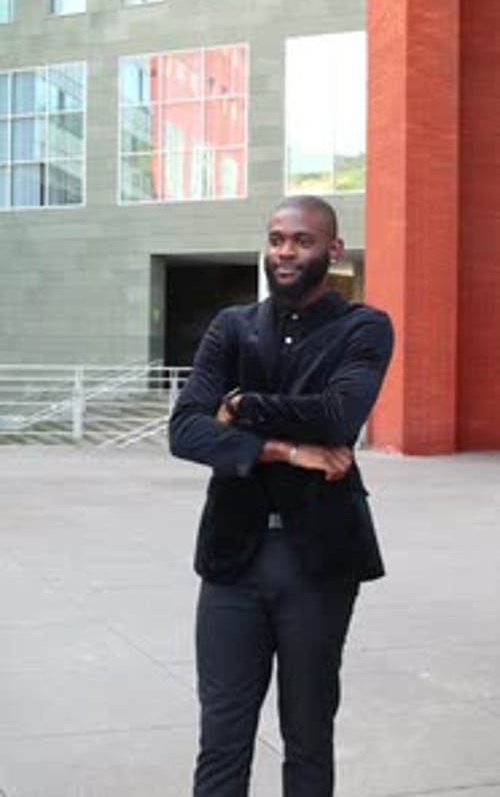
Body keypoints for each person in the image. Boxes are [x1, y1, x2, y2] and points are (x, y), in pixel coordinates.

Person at [169, 195, 394, 797]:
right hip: (231, 560)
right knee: (221, 736)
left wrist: (239, 409)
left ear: (332, 249)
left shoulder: (364, 327)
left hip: (318, 563)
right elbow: (185, 430)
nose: (285, 252)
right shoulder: (232, 327)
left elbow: (338, 415)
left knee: (308, 733)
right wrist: (288, 450)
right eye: (275, 239)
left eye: (301, 241)